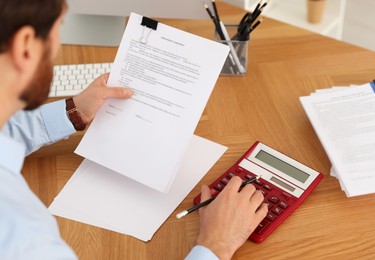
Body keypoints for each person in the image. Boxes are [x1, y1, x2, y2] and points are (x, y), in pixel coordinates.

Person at [0, 0, 268, 259]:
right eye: (61, 25)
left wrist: (75, 111)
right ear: (26, 45)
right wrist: (215, 246)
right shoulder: (23, 237)